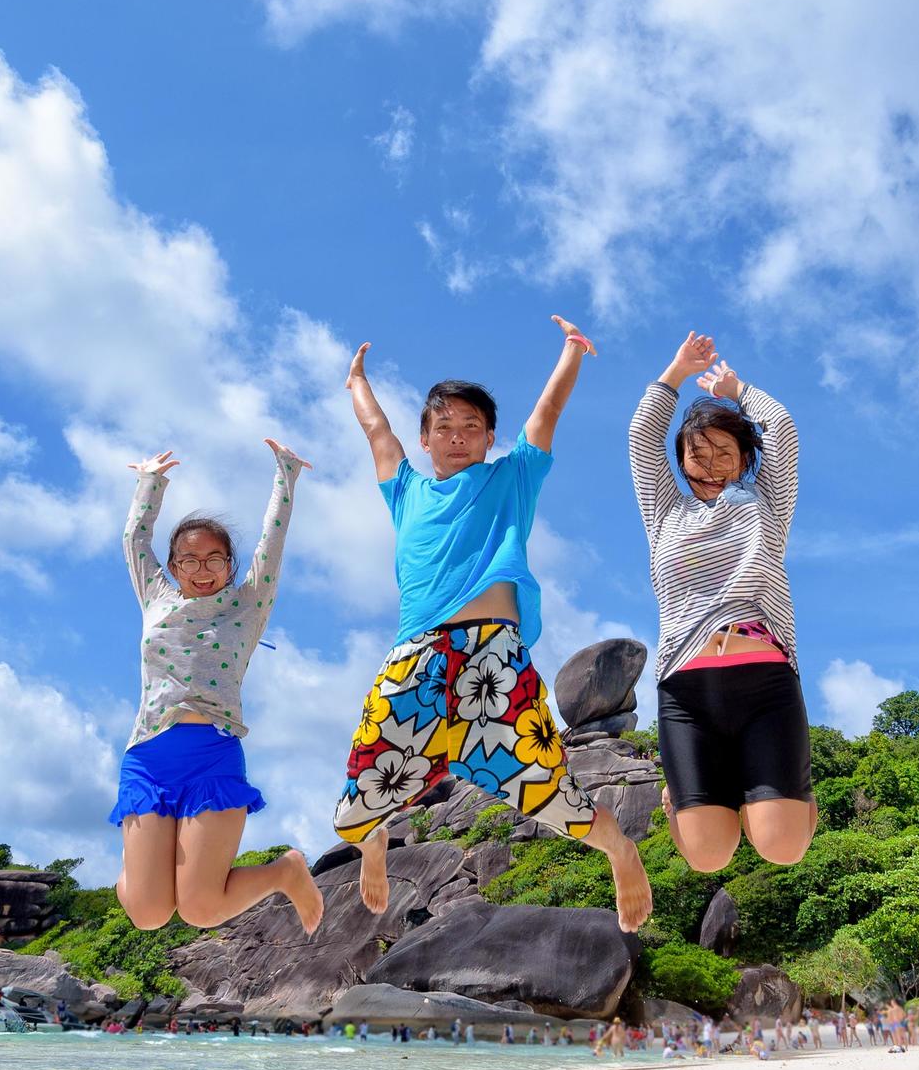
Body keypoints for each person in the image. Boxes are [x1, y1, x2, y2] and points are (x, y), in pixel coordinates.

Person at [335, 321, 653, 929]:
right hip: (418, 658)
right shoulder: (406, 491)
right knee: (354, 809)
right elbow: (376, 430)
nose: (458, 437)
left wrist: (570, 352)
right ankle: (373, 841)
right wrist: (356, 383)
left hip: (493, 661)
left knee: (548, 793)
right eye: (445, 428)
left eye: (471, 428)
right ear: (425, 439)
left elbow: (547, 413)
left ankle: (621, 850)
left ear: (489, 438)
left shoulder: (512, 479)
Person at [112, 442, 326, 935]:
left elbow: (272, 542)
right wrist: (150, 483)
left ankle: (284, 871)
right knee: (147, 914)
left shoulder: (247, 605)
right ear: (172, 566)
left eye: (214, 559)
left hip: (212, 757)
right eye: (188, 560)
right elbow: (133, 539)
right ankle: (143, 870)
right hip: (148, 756)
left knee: (201, 909)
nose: (202, 569)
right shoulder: (156, 597)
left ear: (230, 565)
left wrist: (286, 477)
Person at [629, 332, 810, 873]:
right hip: (688, 693)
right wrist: (675, 373)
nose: (709, 467)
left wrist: (740, 391)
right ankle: (680, 801)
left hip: (766, 688)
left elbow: (784, 430)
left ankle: (794, 800)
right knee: (708, 859)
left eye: (724, 454)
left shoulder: (766, 503)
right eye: (696, 454)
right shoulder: (664, 512)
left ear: (746, 458)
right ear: (680, 460)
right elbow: (642, 437)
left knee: (782, 849)